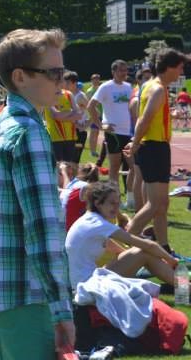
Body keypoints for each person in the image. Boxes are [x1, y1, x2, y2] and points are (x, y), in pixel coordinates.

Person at [0, 28, 74, 359]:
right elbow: (42, 230)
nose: (61, 80)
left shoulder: (5, 122)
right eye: (53, 72)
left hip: (7, 292)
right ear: (19, 77)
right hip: (28, 294)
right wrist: (61, 310)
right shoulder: (28, 132)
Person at [124, 48, 190, 254]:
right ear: (169, 67)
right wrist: (136, 143)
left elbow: (139, 114)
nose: (181, 72)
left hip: (156, 147)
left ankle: (164, 247)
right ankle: (125, 238)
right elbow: (145, 118)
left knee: (162, 203)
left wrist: (136, 141)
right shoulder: (158, 89)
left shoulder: (149, 85)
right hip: (153, 147)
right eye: (180, 68)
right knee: (154, 204)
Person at [65, 180, 177, 289]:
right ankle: (183, 286)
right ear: (97, 203)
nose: (116, 207)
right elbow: (148, 245)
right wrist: (171, 260)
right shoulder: (98, 224)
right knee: (142, 251)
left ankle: (179, 285)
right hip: (88, 284)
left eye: (118, 203)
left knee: (140, 253)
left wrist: (132, 258)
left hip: (82, 281)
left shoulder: (89, 219)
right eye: (112, 203)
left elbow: (112, 246)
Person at [88, 60, 135, 201]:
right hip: (114, 133)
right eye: (120, 70)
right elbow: (91, 106)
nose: (123, 73)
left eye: (125, 70)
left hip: (129, 132)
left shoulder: (129, 87)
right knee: (114, 167)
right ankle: (114, 199)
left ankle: (130, 199)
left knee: (134, 166)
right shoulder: (106, 87)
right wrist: (101, 126)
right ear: (113, 72)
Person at [43, 79, 80, 163]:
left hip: (71, 136)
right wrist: (70, 112)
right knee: (58, 166)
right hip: (55, 137)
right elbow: (55, 115)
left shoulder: (69, 94)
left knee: (69, 166)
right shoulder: (47, 95)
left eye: (61, 80)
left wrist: (62, 115)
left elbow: (78, 115)